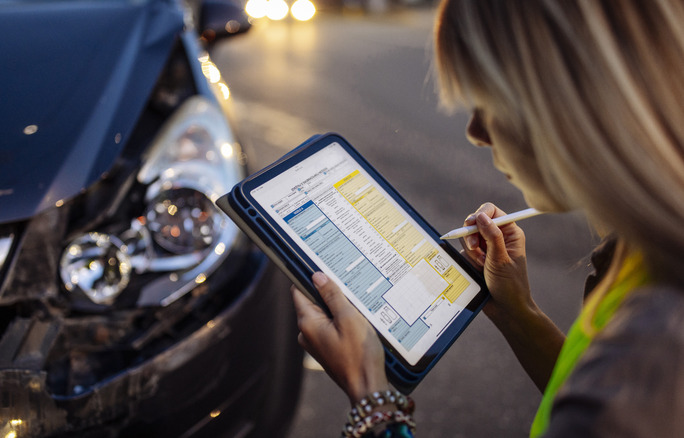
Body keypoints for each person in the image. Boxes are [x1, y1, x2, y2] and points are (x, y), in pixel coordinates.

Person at [290, 0, 684, 436]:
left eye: (489, 101)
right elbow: (583, 392)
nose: (475, 134)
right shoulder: (641, 253)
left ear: (575, 102)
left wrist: (371, 400)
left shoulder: (659, 347)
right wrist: (518, 312)